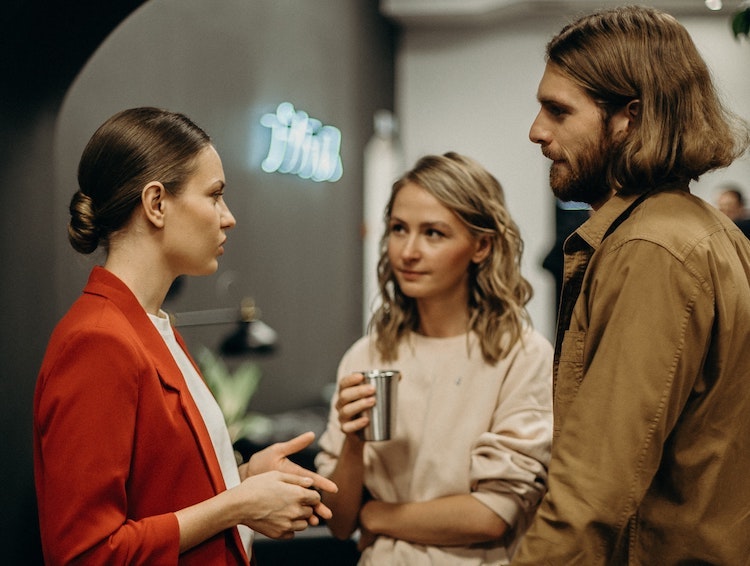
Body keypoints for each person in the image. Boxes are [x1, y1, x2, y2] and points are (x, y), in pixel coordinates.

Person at [33, 107, 337, 565]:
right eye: (215, 195)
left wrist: (243, 477)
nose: (228, 217)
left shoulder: (151, 325)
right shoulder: (98, 339)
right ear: (156, 204)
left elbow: (159, 495)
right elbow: (86, 553)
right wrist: (237, 504)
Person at [513, 6, 750, 564]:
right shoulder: (703, 232)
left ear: (629, 118)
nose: (536, 131)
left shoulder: (651, 251)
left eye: (557, 110)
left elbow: (592, 489)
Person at [315, 152, 554, 565]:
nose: (408, 252)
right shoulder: (367, 355)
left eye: (434, 234)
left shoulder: (521, 355)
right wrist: (353, 444)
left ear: (481, 245)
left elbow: (490, 516)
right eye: (398, 229)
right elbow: (339, 523)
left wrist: (378, 513)